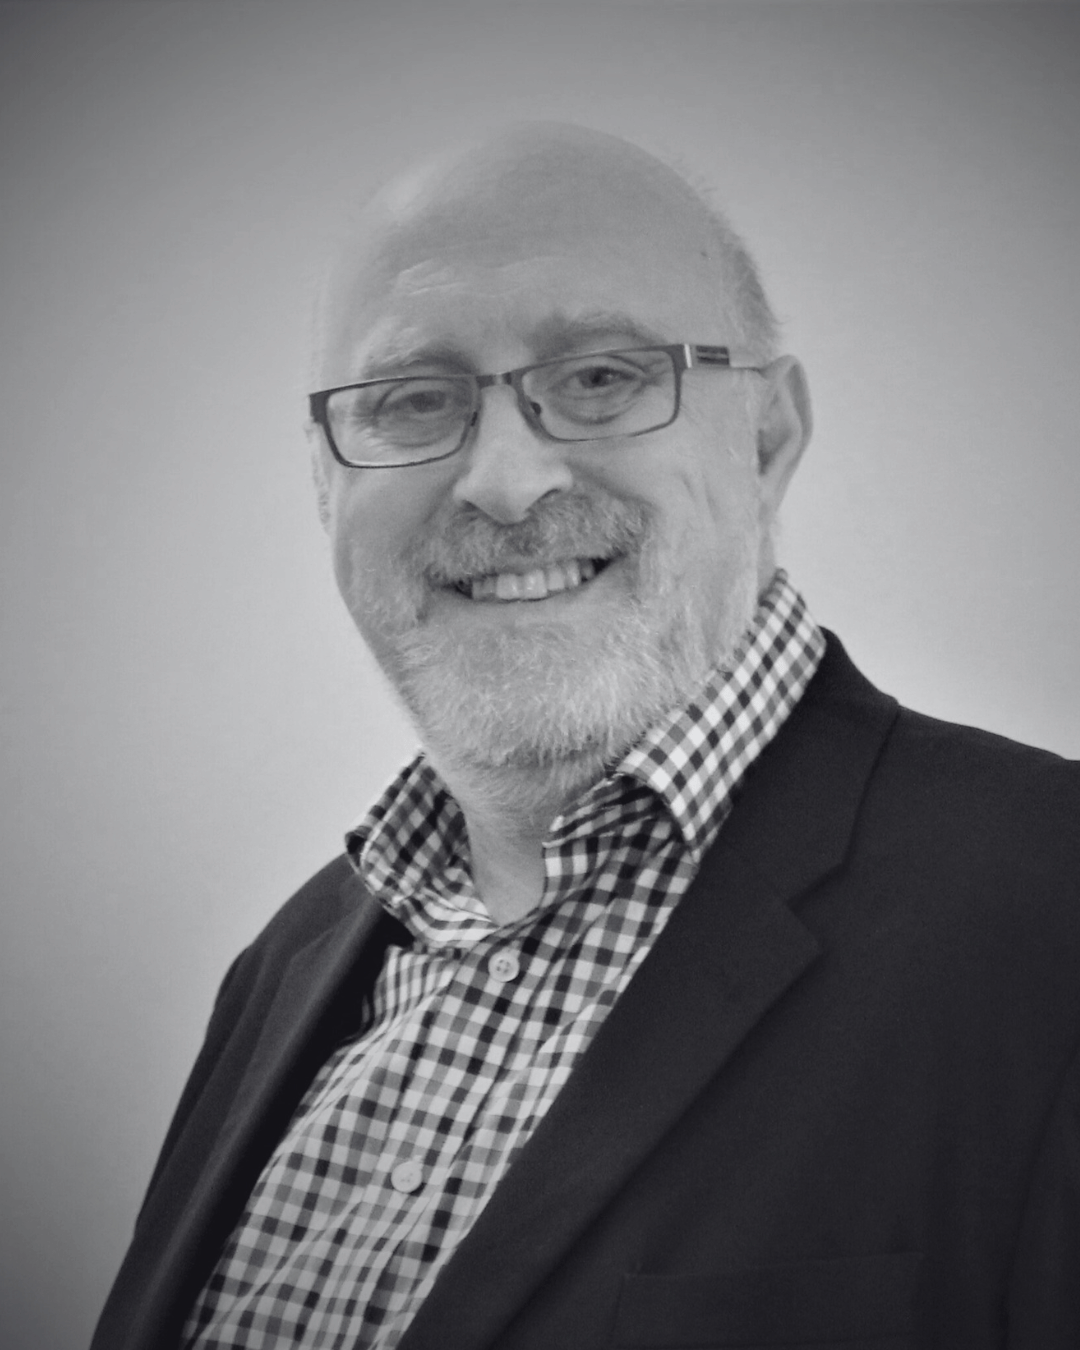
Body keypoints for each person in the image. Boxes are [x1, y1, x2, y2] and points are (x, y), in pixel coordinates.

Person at [92, 123, 1080, 1350]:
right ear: (323, 484)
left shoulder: (1055, 911)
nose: (505, 482)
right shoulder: (278, 973)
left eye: (604, 377)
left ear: (766, 439)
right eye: (413, 402)